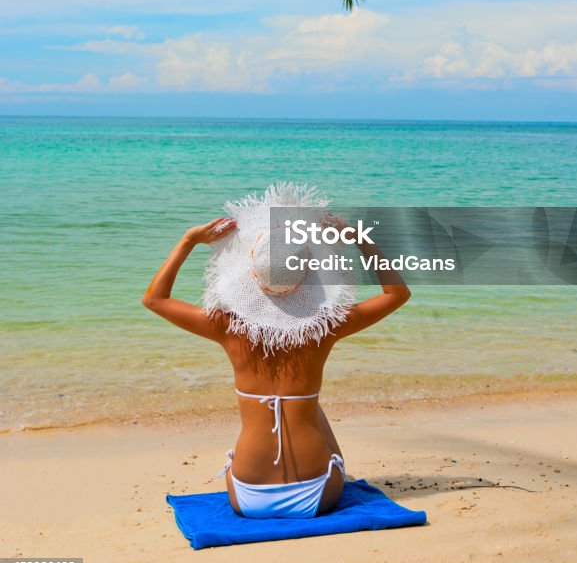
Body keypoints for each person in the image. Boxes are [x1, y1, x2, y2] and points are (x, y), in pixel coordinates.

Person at [141, 184, 410, 519]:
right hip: (318, 492)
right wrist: (360, 239)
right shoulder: (325, 328)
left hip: (246, 497)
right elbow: (397, 293)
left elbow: (154, 299)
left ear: (250, 273)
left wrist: (188, 241)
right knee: (310, 408)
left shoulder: (227, 327)